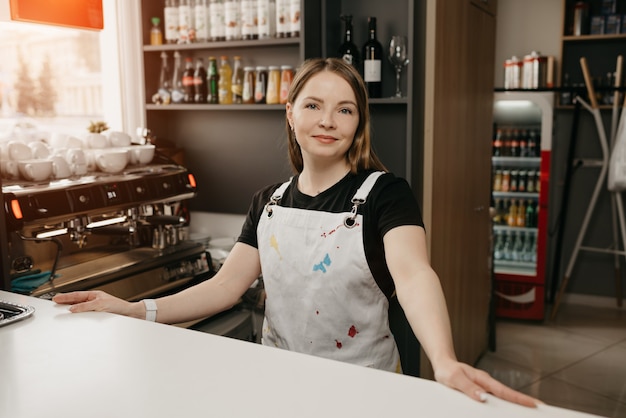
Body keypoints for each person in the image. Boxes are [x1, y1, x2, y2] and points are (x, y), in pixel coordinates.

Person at [53, 57, 538, 408]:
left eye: (345, 110)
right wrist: (137, 310)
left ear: (359, 123)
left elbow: (413, 274)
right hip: (279, 384)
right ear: (290, 112)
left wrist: (445, 360)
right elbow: (226, 287)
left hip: (363, 391)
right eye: (314, 105)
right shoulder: (269, 201)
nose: (328, 120)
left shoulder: (387, 194)